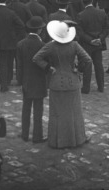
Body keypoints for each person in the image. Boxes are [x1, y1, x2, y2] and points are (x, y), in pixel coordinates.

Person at [32, 20, 92, 149]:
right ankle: (78, 139)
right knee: (75, 112)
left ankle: (56, 141)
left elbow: (36, 58)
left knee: (57, 113)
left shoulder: (50, 46)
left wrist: (48, 67)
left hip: (56, 82)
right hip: (73, 82)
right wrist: (78, 69)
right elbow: (87, 59)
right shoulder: (75, 45)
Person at [16, 17, 48, 143]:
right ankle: (37, 136)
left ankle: (24, 134)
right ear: (39, 30)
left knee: (26, 108)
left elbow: (19, 66)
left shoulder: (21, 44)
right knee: (38, 110)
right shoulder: (43, 45)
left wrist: (20, 81)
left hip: (26, 81)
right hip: (39, 81)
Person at [77, 0, 109, 93]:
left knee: (87, 65)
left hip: (87, 44)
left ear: (83, 2)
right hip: (98, 43)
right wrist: (100, 38)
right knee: (98, 65)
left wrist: (90, 41)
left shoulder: (81, 15)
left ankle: (86, 88)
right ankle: (101, 87)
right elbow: (106, 28)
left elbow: (80, 33)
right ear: (92, 0)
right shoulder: (101, 13)